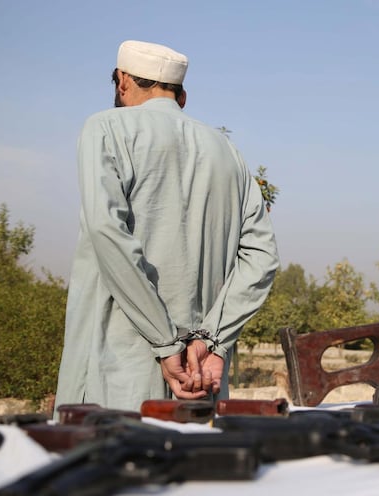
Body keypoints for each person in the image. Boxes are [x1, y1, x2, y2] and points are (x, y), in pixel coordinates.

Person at [54, 40, 279, 412]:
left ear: (123, 81)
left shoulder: (105, 128)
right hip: (202, 374)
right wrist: (214, 340)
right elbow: (262, 256)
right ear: (182, 97)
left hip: (116, 374)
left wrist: (165, 344)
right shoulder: (227, 151)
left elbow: (106, 232)